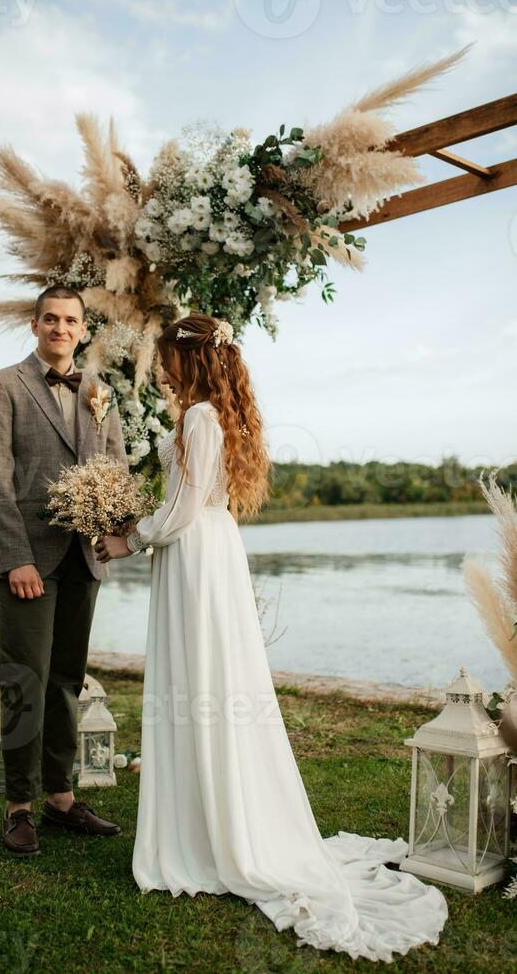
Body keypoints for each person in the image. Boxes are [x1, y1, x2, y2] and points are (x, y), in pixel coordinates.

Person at [95, 313, 448, 962]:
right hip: (209, 552)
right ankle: (209, 817)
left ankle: (208, 837)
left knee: (199, 679)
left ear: (191, 360)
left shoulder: (200, 417)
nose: (164, 367)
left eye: (170, 356)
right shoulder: (211, 415)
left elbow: (180, 509)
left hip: (195, 556)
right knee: (207, 681)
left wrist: (127, 537)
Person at [0, 284, 126, 856]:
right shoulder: (2, 386)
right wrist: (16, 558)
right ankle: (18, 806)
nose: (61, 329)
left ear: (83, 330)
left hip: (83, 556)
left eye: (71, 321)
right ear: (35, 325)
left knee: (67, 678)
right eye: (51, 320)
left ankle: (61, 798)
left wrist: (115, 529)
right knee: (23, 679)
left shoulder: (99, 391)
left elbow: (114, 467)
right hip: (28, 561)